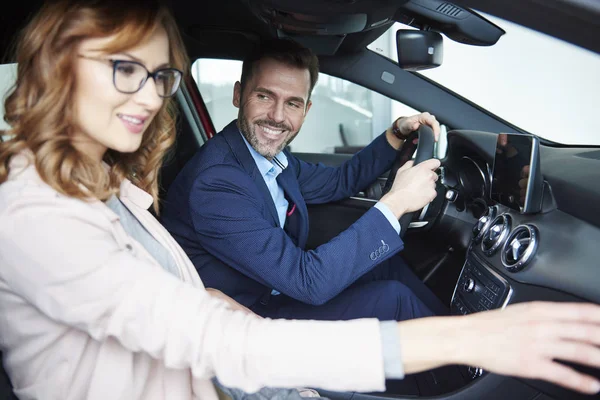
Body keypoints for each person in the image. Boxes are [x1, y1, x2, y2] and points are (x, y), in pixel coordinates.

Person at [1, 1, 600, 399]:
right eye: (123, 69)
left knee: (386, 267)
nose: (149, 97)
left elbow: (332, 185)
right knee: (390, 291)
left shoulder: (100, 187)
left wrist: (392, 141)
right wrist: (462, 338)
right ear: (58, 67)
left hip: (219, 342)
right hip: (225, 359)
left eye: (160, 77)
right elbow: (228, 340)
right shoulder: (40, 217)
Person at [161, 37, 447, 322]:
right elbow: (308, 282)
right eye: (264, 96)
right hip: (248, 317)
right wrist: (397, 202)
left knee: (386, 267)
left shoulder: (269, 159)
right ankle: (468, 360)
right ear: (238, 95)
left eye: (293, 104)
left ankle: (462, 336)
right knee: (394, 300)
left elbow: (340, 181)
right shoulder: (217, 183)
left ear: (306, 110)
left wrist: (396, 133)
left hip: (274, 288)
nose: (276, 116)